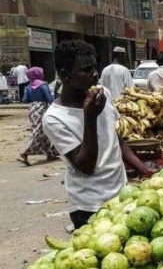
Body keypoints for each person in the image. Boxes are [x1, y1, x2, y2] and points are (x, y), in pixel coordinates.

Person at [42, 40, 155, 229]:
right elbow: (85, 165)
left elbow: (115, 138)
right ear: (65, 75)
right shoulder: (54, 118)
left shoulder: (104, 95)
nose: (95, 74)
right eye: (86, 70)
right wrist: (90, 117)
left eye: (95, 67)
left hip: (121, 197)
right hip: (89, 206)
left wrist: (143, 169)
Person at [18, 67, 59, 165]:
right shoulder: (43, 85)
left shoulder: (28, 86)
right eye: (42, 73)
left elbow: (24, 99)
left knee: (43, 131)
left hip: (32, 108)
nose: (43, 74)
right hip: (42, 108)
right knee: (40, 131)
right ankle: (25, 152)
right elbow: (49, 98)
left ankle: (51, 154)